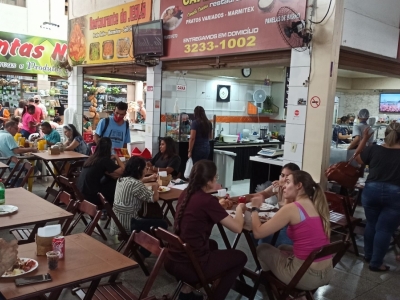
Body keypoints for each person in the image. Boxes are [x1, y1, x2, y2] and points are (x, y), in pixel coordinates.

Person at [164, 160, 247, 300]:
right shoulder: (208, 201)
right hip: (189, 265)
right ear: (209, 181)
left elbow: (203, 207)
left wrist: (217, 205)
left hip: (172, 258)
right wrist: (240, 208)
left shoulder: (186, 193)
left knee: (212, 244)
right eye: (216, 177)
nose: (216, 180)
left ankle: (186, 292)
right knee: (240, 257)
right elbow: (238, 228)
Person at [251, 170, 332, 291]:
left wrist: (254, 209)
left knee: (262, 248)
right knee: (282, 247)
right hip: (326, 272)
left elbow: (257, 233)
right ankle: (278, 280)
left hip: (306, 276)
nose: (283, 185)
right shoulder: (315, 204)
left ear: (299, 186)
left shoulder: (293, 209)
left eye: (288, 182)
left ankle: (273, 285)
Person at [354, 124, 400, 271]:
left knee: (371, 225)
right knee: (384, 230)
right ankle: (376, 263)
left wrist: (364, 139)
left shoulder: (374, 149)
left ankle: (368, 256)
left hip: (371, 190)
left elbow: (357, 158)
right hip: (395, 194)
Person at [111, 156, 167, 259]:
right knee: (161, 225)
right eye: (145, 168)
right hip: (130, 223)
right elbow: (154, 198)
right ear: (138, 169)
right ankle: (142, 253)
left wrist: (149, 178)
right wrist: (155, 186)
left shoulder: (121, 179)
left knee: (152, 220)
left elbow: (137, 181)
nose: (146, 170)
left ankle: (142, 243)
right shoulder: (136, 184)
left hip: (118, 222)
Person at [249, 163, 300, 246]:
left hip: (291, 231)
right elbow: (260, 195)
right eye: (282, 175)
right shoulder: (278, 187)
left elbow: (287, 213)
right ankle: (261, 257)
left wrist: (255, 209)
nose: (283, 179)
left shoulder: (296, 193)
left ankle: (267, 254)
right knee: (252, 235)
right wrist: (235, 198)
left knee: (261, 238)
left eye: (288, 178)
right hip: (282, 224)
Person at [77, 137, 125, 207]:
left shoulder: (92, 158)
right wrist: (116, 157)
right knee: (116, 184)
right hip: (92, 197)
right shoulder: (104, 160)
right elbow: (123, 171)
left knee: (111, 178)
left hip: (80, 193)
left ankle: (109, 210)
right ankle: (113, 208)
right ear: (109, 148)